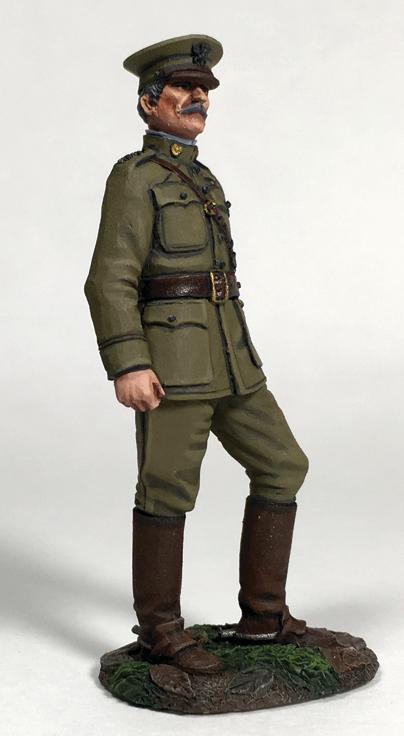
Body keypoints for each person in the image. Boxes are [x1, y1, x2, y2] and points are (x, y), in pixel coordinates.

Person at [84, 34, 309, 675]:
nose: (198, 98)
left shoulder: (201, 177)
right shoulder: (135, 178)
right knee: (166, 490)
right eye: (184, 89)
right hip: (173, 366)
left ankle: (263, 617)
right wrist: (129, 362)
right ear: (148, 102)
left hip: (231, 357)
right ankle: (159, 632)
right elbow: (109, 278)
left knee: (283, 465)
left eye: (204, 90)